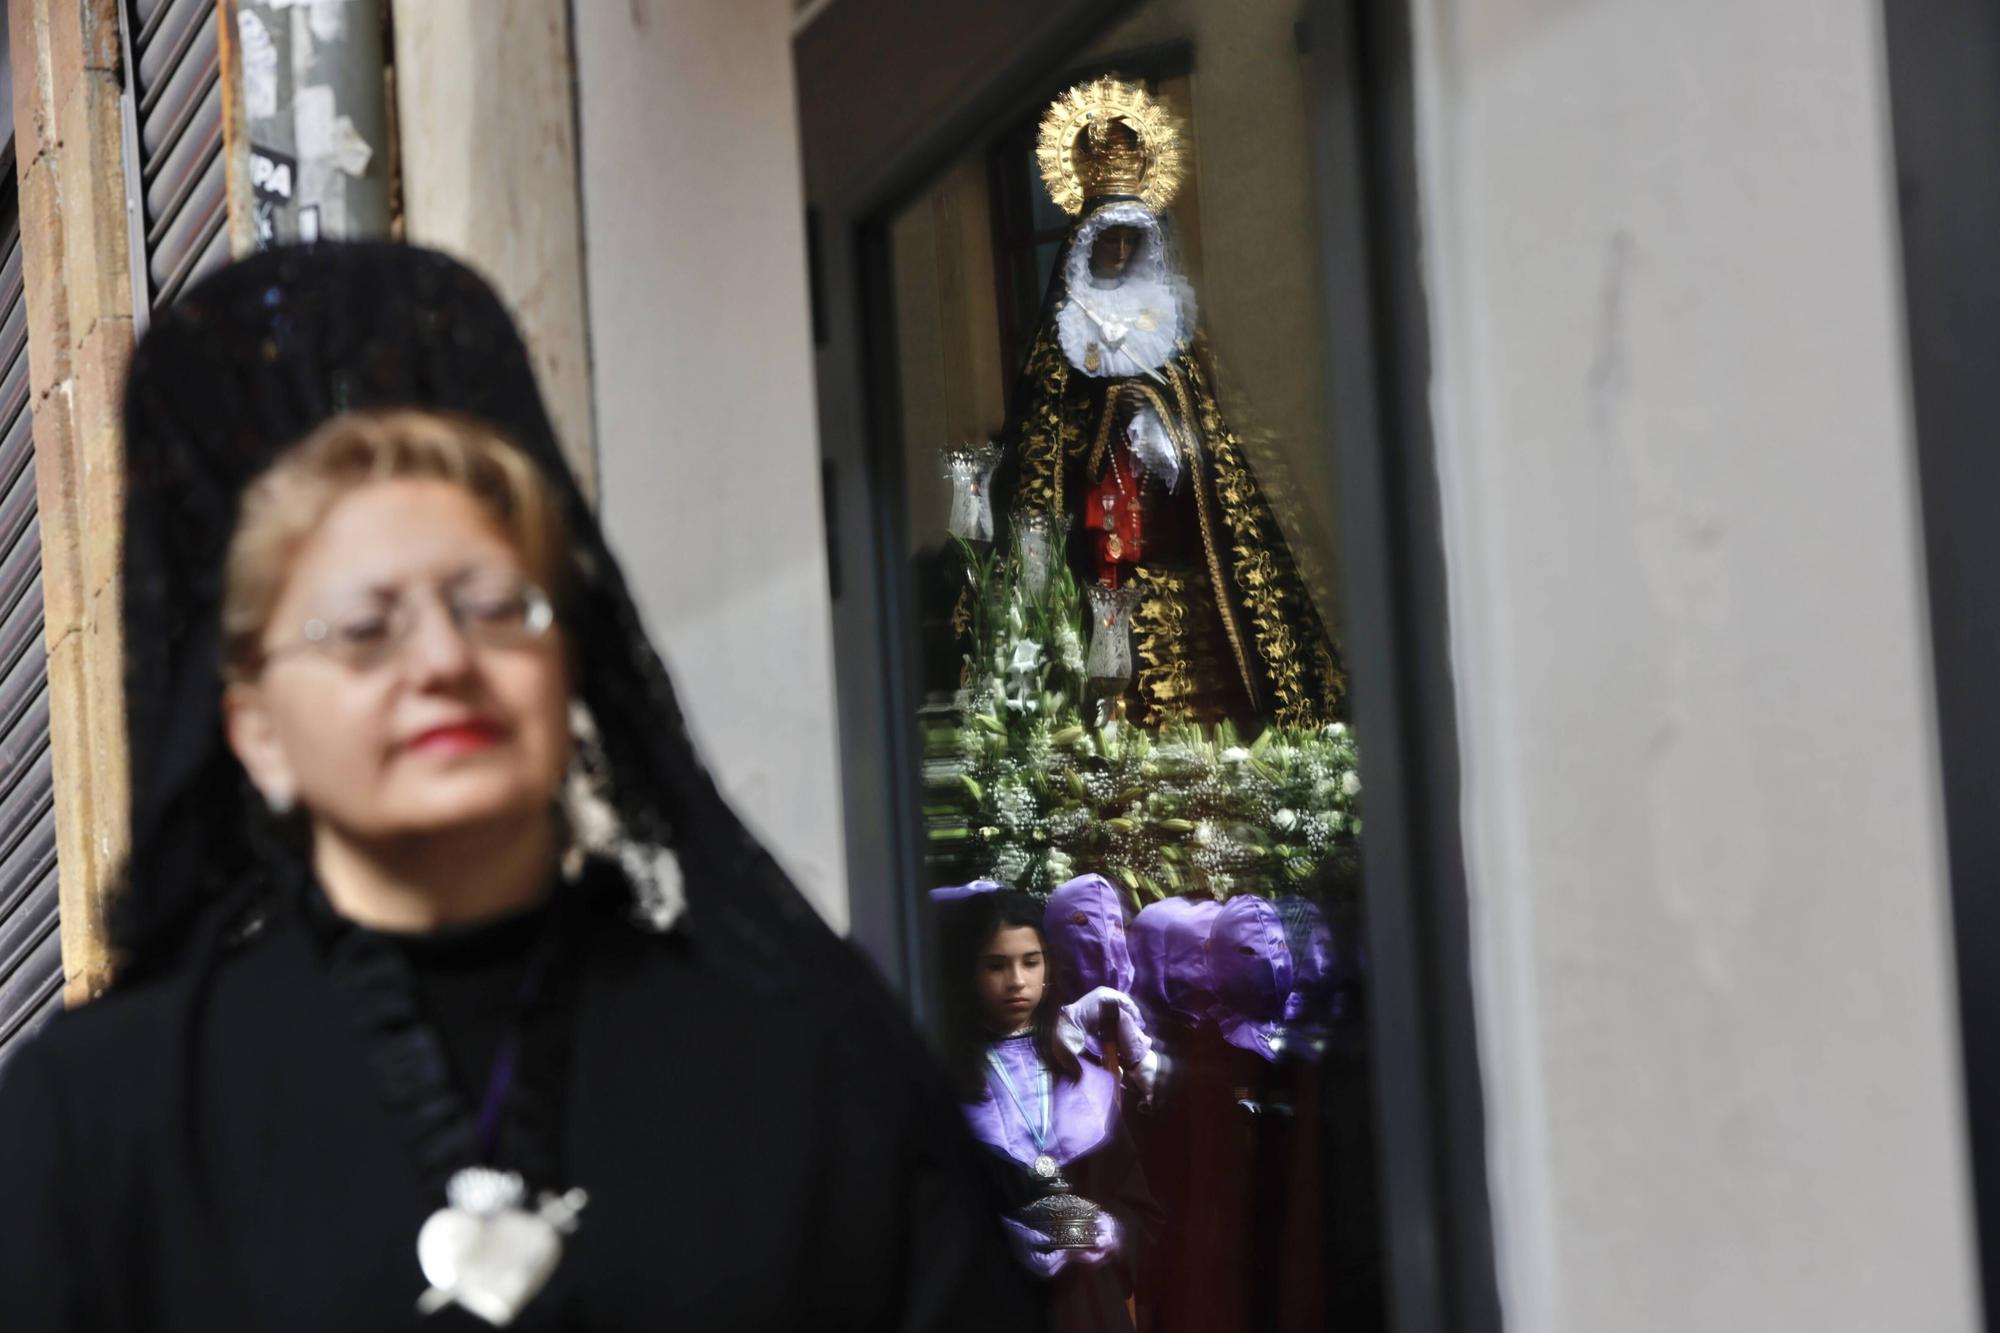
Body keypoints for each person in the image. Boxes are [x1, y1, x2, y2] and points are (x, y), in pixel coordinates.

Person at [0, 243, 1037, 1331]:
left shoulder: (801, 1062)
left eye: (495, 607)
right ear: (253, 729)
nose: (443, 660)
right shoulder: (105, 1118)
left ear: (570, 665)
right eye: (363, 628)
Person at [993, 76, 1344, 730]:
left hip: (1186, 552)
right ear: (1089, 244)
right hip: (1105, 568)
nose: (1120, 252)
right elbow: (1044, 454)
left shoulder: (1173, 332)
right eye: (1109, 240)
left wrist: (1171, 427)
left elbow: (1214, 435)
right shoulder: (1063, 344)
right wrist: (1111, 418)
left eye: (1130, 240)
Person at [939, 888, 1160, 1333]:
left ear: (1048, 969)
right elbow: (928, 1218)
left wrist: (1110, 1232)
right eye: (996, 964)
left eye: (1030, 961)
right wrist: (999, 1240)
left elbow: (1141, 1209)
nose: (1017, 980)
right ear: (968, 971)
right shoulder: (945, 1086)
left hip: (1088, 1306)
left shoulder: (1086, 1076)